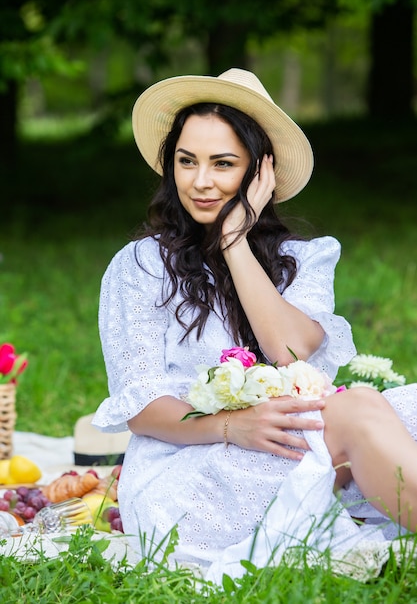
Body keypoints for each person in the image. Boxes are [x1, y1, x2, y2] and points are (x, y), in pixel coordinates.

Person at [92, 69, 417, 580]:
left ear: (259, 173)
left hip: (286, 445)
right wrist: (230, 426)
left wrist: (234, 243)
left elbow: (288, 351)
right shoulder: (140, 266)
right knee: (356, 411)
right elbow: (142, 406)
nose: (200, 182)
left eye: (223, 164)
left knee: (397, 407)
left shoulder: (302, 260)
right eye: (186, 161)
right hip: (188, 472)